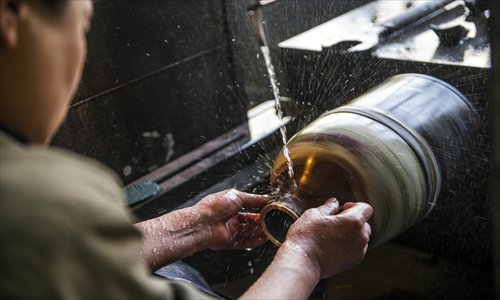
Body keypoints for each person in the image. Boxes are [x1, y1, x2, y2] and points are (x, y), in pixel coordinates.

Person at [0, 0, 373, 299]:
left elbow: (68, 260)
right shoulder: (37, 195)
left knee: (176, 272)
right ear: (10, 18)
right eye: (80, 26)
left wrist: (193, 227)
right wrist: (306, 257)